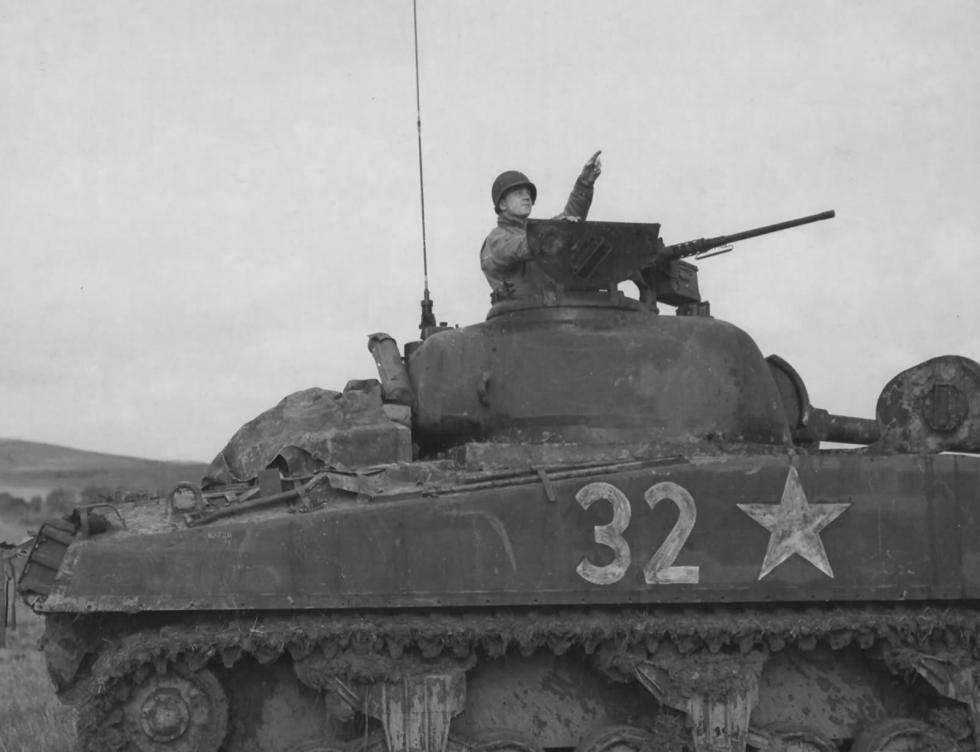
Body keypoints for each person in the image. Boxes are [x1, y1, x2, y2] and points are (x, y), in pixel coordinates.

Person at [480, 151, 602, 301]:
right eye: (519, 193)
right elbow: (522, 246)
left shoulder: (534, 232)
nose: (527, 197)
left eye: (528, 194)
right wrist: (556, 230)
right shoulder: (496, 239)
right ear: (503, 204)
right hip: (518, 311)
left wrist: (584, 184)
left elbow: (570, 220)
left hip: (549, 308)